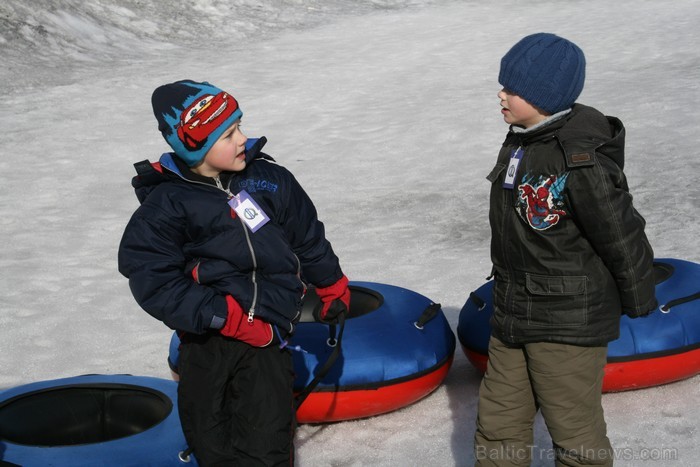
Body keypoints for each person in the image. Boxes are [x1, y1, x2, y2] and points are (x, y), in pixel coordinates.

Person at [118, 79, 350, 466]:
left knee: (266, 439)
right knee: (211, 435)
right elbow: (151, 274)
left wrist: (331, 284)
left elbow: (306, 235)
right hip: (207, 340)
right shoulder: (170, 202)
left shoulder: (268, 179)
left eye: (239, 125)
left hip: (266, 339)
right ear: (196, 145)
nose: (243, 138)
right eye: (229, 134)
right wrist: (222, 315)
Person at [473, 33, 657, 466]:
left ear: (543, 97)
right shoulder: (522, 140)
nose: (500, 95)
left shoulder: (579, 159)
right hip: (514, 310)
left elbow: (620, 232)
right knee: (498, 425)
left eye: (511, 89)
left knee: (576, 435)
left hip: (568, 319)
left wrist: (639, 299)